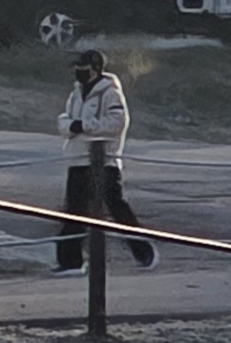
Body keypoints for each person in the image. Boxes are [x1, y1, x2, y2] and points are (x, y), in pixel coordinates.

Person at [57, 49, 157, 270]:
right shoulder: (76, 93)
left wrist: (83, 126)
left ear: (95, 69)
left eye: (83, 68)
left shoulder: (110, 93)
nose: (78, 71)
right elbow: (64, 120)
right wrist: (72, 126)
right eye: (76, 68)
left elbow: (116, 123)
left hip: (104, 162)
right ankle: (70, 263)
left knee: (117, 208)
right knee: (74, 211)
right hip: (77, 159)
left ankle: (144, 252)